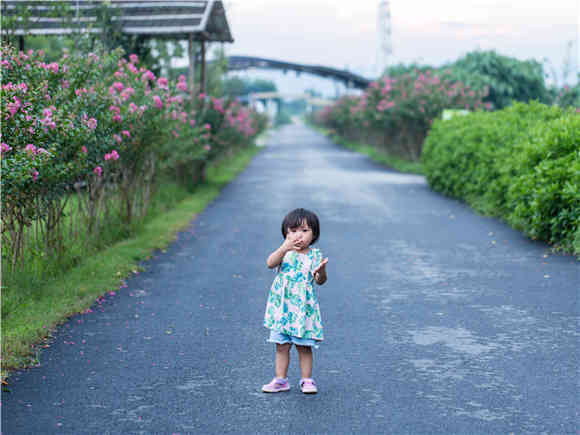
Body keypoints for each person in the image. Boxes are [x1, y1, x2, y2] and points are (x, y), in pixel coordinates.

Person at [262, 208, 329, 394]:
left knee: (304, 346)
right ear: (286, 234)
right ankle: (280, 379)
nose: (298, 235)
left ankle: (307, 380)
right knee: (281, 346)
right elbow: (270, 263)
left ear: (314, 234)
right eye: (292, 231)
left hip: (303, 309)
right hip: (282, 308)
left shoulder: (314, 255)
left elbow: (320, 281)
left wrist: (322, 271)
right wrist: (285, 247)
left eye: (304, 231)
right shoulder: (284, 252)